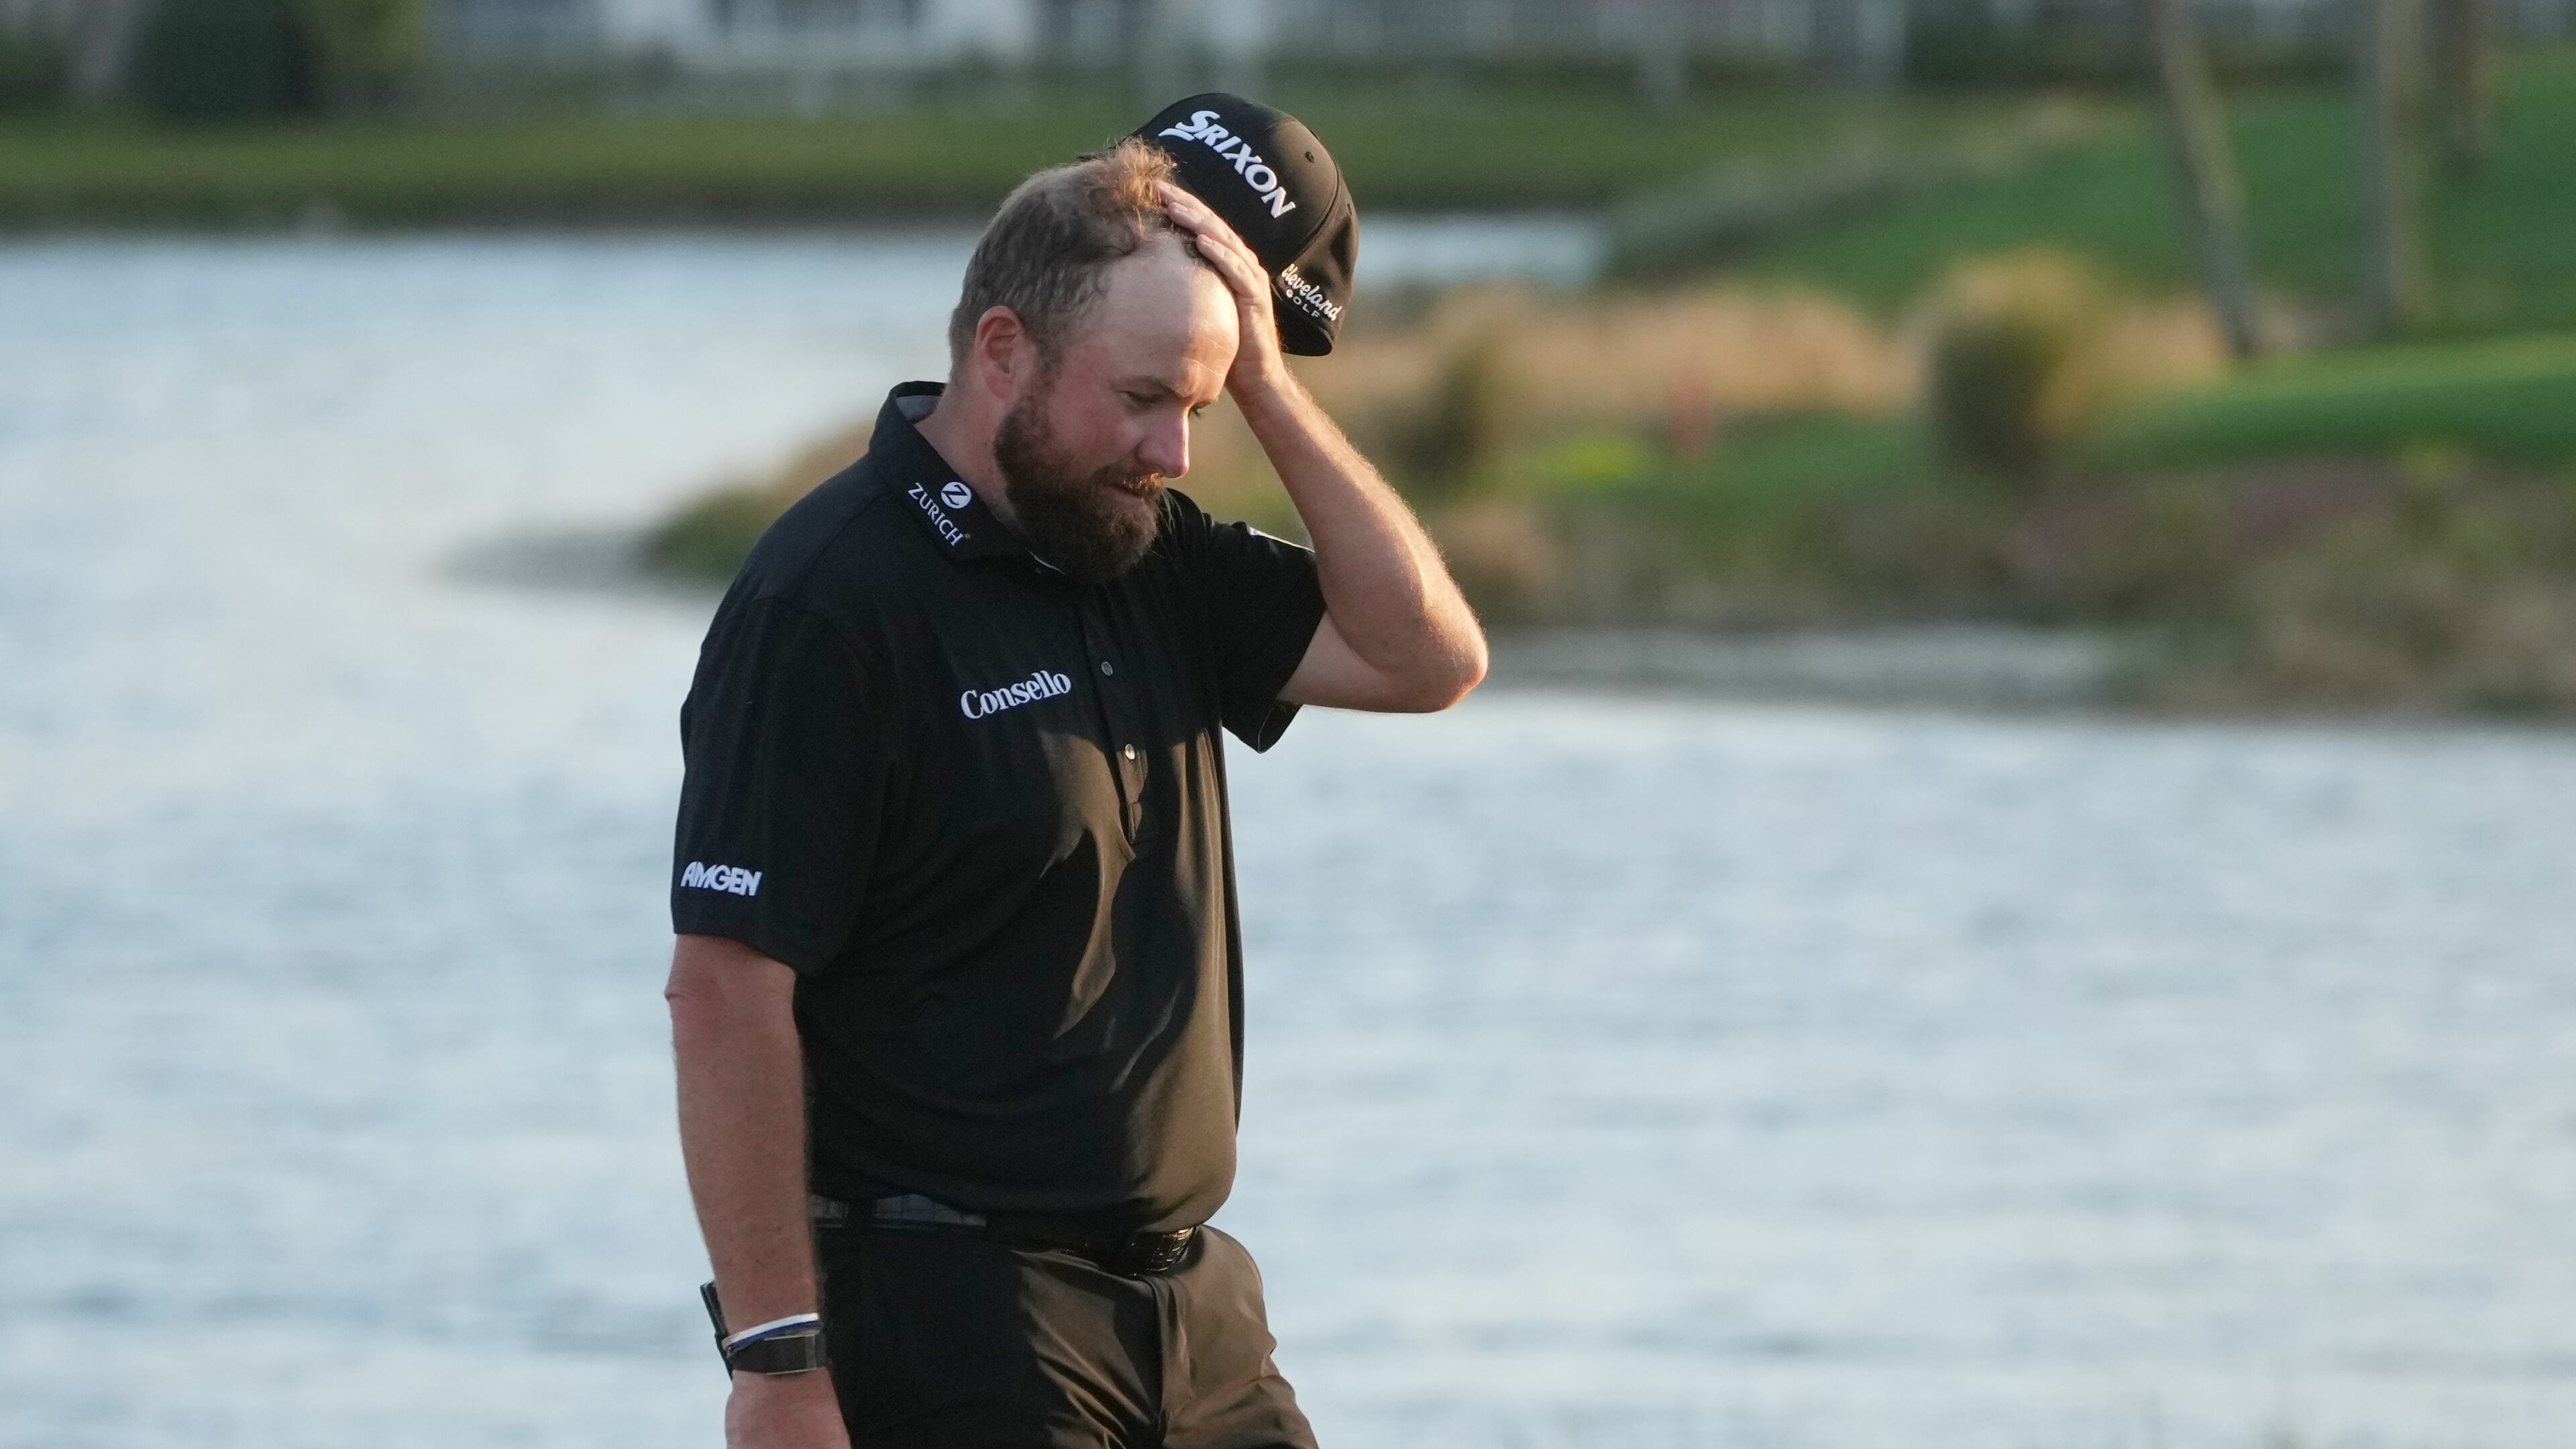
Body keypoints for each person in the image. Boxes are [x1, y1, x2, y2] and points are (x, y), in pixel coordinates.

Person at [662, 94, 1486, 1449]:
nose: (1174, 452)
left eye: (1200, 407)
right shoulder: (828, 601)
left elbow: (1428, 658)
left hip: (1199, 1321)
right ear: (1005, 351)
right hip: (958, 1319)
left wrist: (1268, 387)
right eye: (1144, 399)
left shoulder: (1146, 546)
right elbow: (724, 990)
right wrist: (777, 1366)